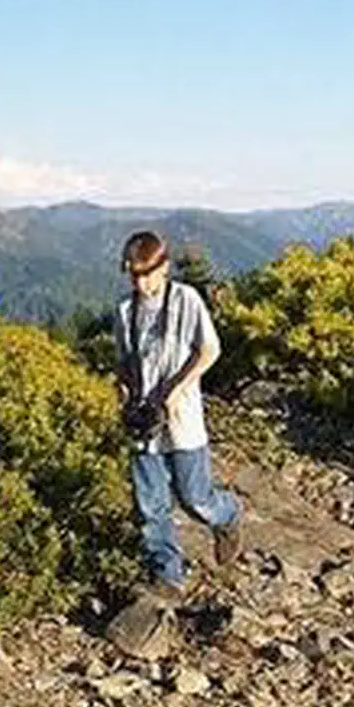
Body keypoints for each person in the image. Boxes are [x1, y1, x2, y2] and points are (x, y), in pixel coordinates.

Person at [113, 230, 243, 601]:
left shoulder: (187, 300)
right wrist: (124, 389)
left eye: (146, 273)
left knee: (194, 498)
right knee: (150, 506)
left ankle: (228, 515)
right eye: (133, 274)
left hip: (183, 421)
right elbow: (123, 361)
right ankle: (168, 574)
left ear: (164, 268)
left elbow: (209, 350)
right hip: (143, 421)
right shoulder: (125, 310)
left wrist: (176, 389)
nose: (139, 282)